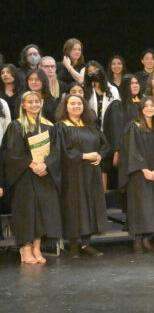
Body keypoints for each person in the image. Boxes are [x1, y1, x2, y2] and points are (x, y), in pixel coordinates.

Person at [2, 91, 62, 264]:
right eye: (30, 102)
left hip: (43, 175)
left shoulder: (49, 126)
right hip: (24, 176)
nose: (34, 104)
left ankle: (36, 246)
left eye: (37, 101)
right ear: (23, 105)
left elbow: (57, 151)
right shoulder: (17, 126)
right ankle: (25, 247)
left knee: (41, 211)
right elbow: (12, 153)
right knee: (27, 211)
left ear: (41, 103)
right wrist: (32, 164)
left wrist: (46, 165)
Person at [55, 94, 109, 258]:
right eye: (72, 104)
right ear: (66, 106)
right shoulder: (61, 126)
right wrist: (84, 156)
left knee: (90, 205)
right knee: (74, 207)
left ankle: (86, 244)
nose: (76, 106)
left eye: (79, 103)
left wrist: (99, 156)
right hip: (72, 173)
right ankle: (73, 246)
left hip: (91, 172)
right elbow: (63, 150)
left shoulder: (91, 126)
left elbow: (105, 145)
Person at [118, 97, 154, 253]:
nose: (150, 108)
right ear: (141, 108)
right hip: (138, 174)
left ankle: (147, 239)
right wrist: (144, 169)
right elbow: (132, 151)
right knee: (140, 206)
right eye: (146, 106)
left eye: (152, 105)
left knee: (152, 206)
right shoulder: (133, 126)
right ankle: (137, 240)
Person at [102, 75, 142, 191]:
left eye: (137, 83)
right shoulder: (117, 105)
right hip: (124, 150)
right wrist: (117, 151)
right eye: (131, 83)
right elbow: (115, 130)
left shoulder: (144, 104)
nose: (135, 86)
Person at [84, 61, 120, 128]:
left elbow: (117, 111)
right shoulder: (85, 90)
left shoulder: (113, 89)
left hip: (109, 126)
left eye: (95, 70)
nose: (94, 73)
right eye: (90, 71)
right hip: (91, 127)